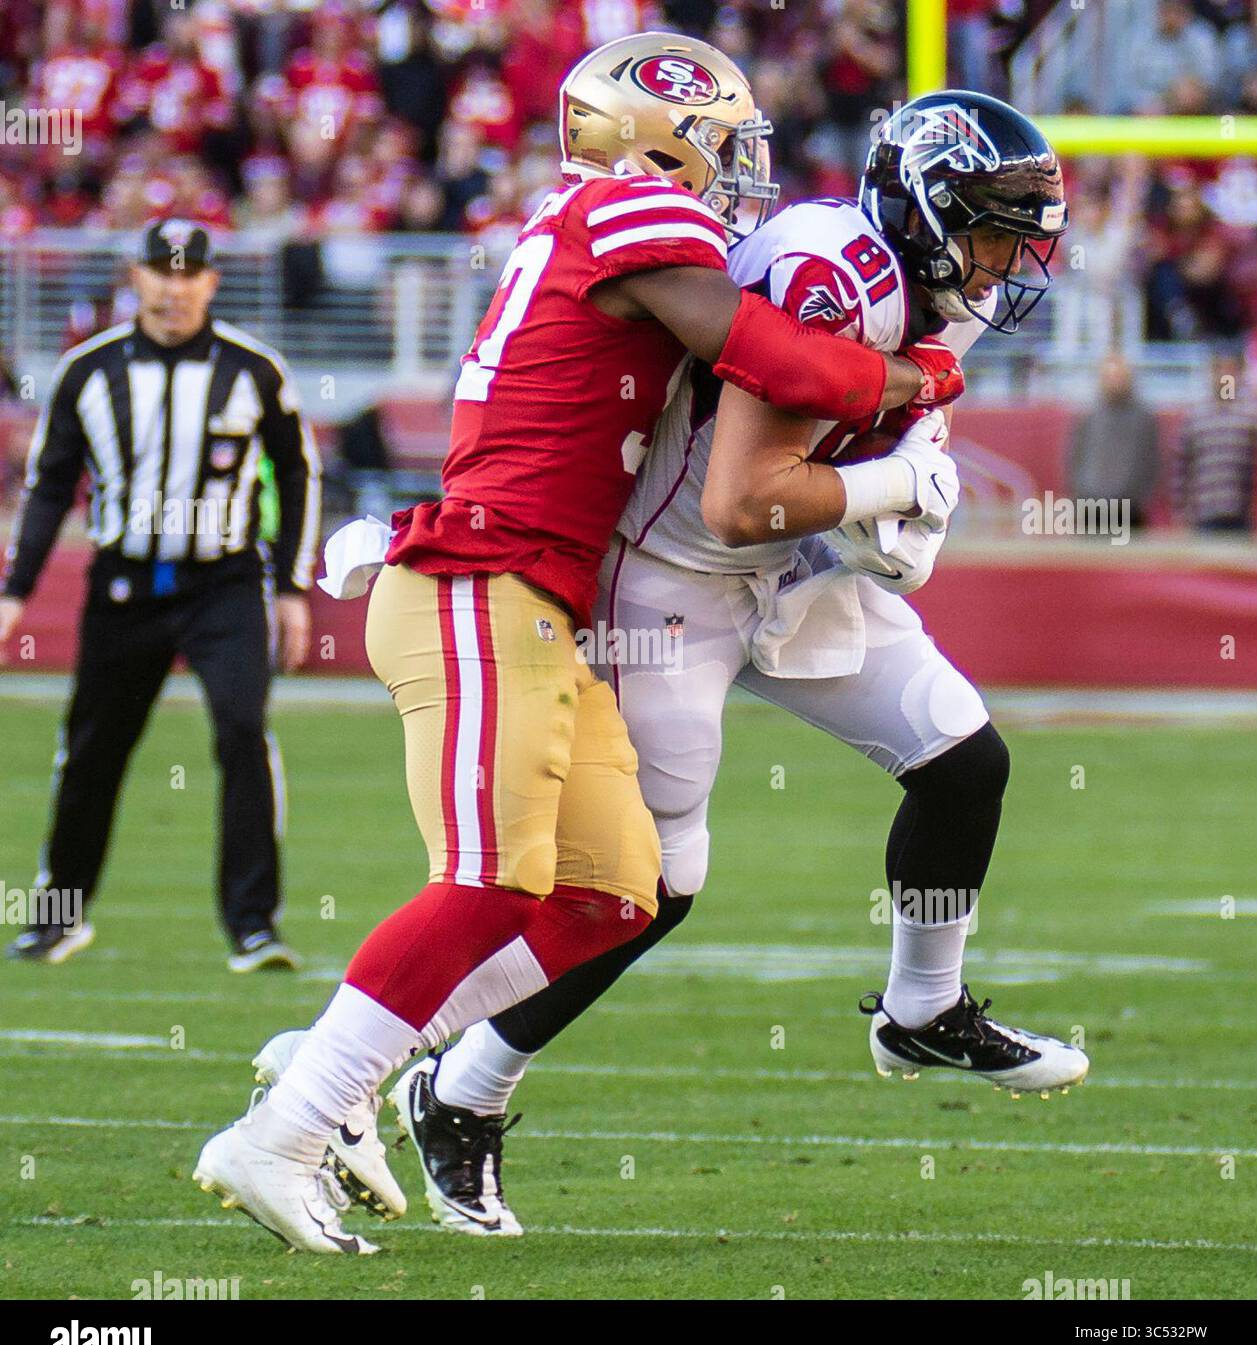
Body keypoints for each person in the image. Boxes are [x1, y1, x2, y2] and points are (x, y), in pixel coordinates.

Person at [192, 31, 965, 1254]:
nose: (736, 171)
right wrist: (916, 381)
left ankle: (336, 1062)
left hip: (546, 595)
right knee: (493, 879)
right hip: (483, 579)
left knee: (620, 891)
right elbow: (765, 353)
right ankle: (285, 1129)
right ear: (651, 143)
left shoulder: (594, 222)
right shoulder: (623, 212)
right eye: (720, 145)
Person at [373, 91, 1090, 1236]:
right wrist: (897, 489)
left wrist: (905, 494)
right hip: (667, 579)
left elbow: (890, 431)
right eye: (994, 229)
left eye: (1021, 234)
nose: (1008, 262)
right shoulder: (829, 276)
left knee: (961, 757)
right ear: (925, 209)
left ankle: (922, 1004)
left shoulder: (947, 284)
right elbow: (745, 496)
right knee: (648, 884)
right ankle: (456, 1084)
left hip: (788, 568)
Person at [0, 219, 321, 971]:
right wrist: (16, 589)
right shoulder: (88, 371)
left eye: (189, 274)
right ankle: (59, 914)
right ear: (134, 277)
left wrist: (292, 588)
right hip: (123, 584)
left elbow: (297, 472)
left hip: (225, 582)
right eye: (160, 273)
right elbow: (49, 486)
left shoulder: (253, 370)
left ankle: (253, 925)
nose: (174, 288)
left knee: (242, 730)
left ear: (210, 281)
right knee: (91, 748)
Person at [1068, 355, 1161, 530]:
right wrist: (1080, 493)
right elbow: (1074, 458)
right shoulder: (1088, 415)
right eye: (1110, 377)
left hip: (1130, 508)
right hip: (1091, 504)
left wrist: (1140, 498)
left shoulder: (1143, 418)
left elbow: (1152, 461)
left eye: (1119, 377)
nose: (1114, 382)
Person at [1173, 348, 1257, 532]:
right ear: (1212, 374)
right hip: (1204, 515)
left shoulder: (1250, 416)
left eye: (1231, 370)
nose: (1225, 376)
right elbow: (1181, 467)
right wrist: (1180, 512)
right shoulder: (1195, 416)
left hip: (1240, 516)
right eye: (1220, 370)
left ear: (1240, 374)